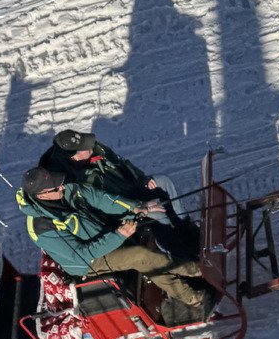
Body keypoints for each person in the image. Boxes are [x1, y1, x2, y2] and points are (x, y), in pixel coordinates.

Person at [17, 164, 213, 325]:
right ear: (42, 196)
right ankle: (198, 272)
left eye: (58, 182)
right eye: (56, 188)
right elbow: (82, 255)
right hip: (88, 260)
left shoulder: (64, 189)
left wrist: (138, 207)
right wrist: (118, 235)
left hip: (101, 232)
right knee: (139, 256)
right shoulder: (41, 227)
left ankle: (190, 292)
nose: (62, 187)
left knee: (146, 242)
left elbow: (101, 199)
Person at [40, 129, 200, 260]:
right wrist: (139, 207)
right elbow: (101, 203)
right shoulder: (72, 182)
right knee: (161, 215)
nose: (90, 147)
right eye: (85, 148)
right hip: (119, 207)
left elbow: (122, 163)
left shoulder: (94, 148)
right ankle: (178, 252)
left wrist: (142, 179)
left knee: (164, 182)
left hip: (130, 188)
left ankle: (185, 227)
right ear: (74, 157)